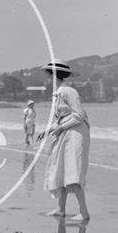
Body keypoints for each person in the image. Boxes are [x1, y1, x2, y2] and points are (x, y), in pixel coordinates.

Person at [37, 60, 90, 221]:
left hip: (75, 133)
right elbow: (60, 118)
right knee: (60, 169)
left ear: (55, 76)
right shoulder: (58, 93)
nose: (47, 79)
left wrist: (61, 128)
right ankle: (61, 209)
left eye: (49, 76)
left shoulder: (69, 92)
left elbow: (79, 115)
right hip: (65, 132)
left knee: (73, 171)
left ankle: (84, 212)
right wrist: (47, 130)